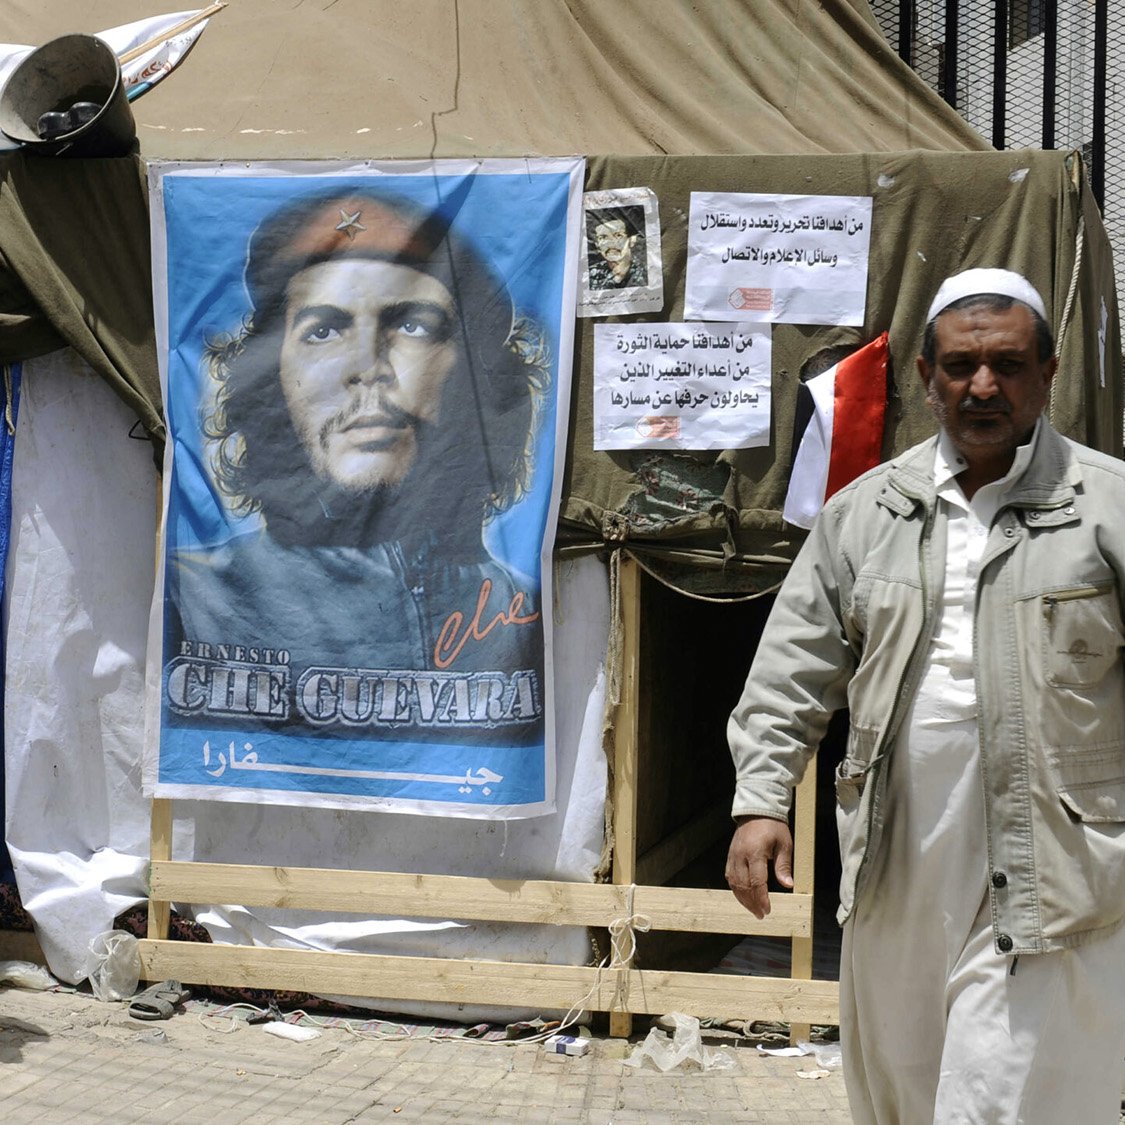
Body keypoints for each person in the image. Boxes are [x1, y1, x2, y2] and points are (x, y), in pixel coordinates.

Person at [725, 268, 1125, 1123]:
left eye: (1008, 364)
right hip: (895, 853)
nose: (983, 386)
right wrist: (761, 799)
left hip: (1052, 856)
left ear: (1048, 374)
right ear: (924, 376)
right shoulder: (867, 511)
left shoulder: (1107, 507)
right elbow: (792, 665)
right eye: (960, 365)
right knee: (899, 1089)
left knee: (999, 1097)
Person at [164, 187, 549, 740]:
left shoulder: (529, 618)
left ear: (477, 375)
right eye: (322, 330)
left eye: (413, 325)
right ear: (272, 382)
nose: (368, 367)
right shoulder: (188, 602)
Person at [586, 209, 646, 289]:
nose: (611, 243)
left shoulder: (647, 272)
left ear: (632, 240)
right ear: (597, 246)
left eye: (618, 235)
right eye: (603, 237)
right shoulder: (589, 275)